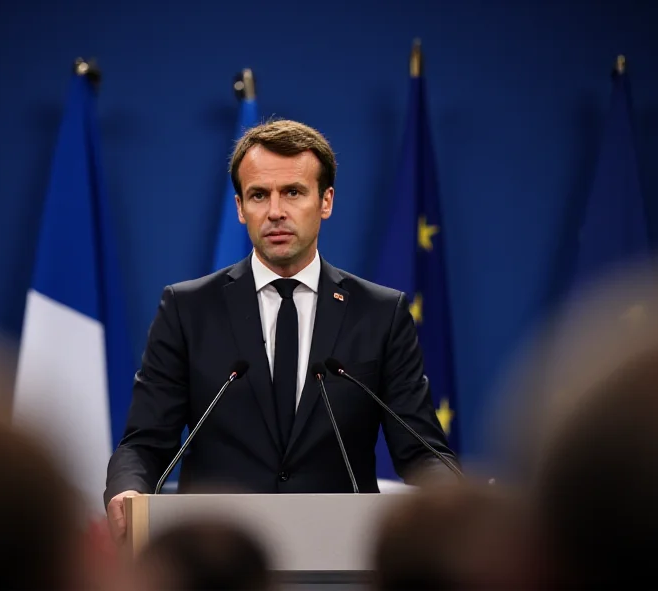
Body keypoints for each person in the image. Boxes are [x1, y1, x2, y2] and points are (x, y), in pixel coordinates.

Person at [105, 119, 456, 541]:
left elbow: (421, 449)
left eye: (292, 192)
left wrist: (451, 495)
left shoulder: (380, 313)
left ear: (325, 201)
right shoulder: (188, 309)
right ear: (239, 207)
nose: (275, 212)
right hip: (218, 555)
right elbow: (144, 443)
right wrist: (129, 488)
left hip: (339, 551)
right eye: (258, 195)